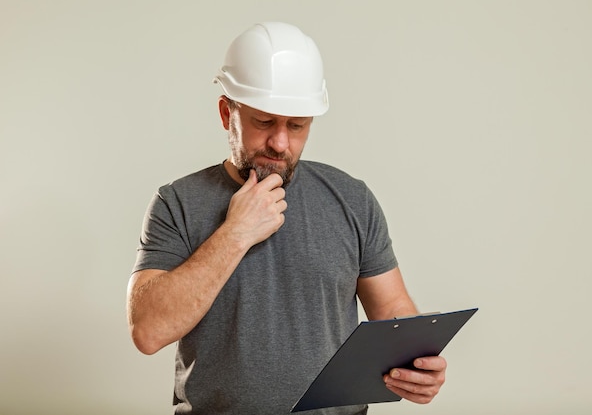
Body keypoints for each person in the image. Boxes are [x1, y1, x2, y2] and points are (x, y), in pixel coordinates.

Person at [126, 22, 447, 415]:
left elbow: (392, 308)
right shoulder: (177, 202)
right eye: (264, 122)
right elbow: (148, 331)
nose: (280, 143)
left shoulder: (351, 199)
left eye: (296, 126)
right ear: (228, 113)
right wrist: (235, 233)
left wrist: (417, 363)